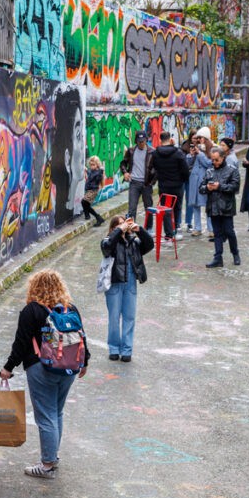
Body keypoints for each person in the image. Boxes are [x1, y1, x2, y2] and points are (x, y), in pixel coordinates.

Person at [0, 270, 89, 479]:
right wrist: (85, 362)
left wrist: (8, 368)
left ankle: (47, 464)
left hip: (41, 368)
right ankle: (52, 456)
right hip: (69, 368)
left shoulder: (31, 311)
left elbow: (21, 344)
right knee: (56, 412)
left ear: (34, 287)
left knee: (46, 415)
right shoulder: (70, 309)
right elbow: (82, 337)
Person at [100, 215, 153, 362]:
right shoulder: (108, 241)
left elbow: (149, 245)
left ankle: (127, 350)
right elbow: (107, 247)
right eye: (119, 225)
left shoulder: (133, 242)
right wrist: (118, 231)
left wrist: (139, 230)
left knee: (129, 317)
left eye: (124, 223)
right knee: (114, 318)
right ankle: (114, 349)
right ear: (113, 228)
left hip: (130, 283)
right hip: (114, 283)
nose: (123, 226)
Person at [200, 146, 241, 268]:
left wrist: (220, 186)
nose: (214, 162)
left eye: (216, 160)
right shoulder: (209, 171)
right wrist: (207, 187)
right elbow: (201, 188)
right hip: (213, 206)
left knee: (229, 231)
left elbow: (235, 187)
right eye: (212, 160)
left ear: (223, 158)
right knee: (217, 233)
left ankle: (235, 253)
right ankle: (218, 257)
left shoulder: (232, 170)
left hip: (226, 206)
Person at [151, 131, 190, 241]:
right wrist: (182, 180)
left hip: (163, 185)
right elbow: (185, 170)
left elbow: (153, 169)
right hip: (177, 185)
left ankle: (168, 234)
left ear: (160, 140)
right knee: (177, 207)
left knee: (166, 209)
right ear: (170, 139)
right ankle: (176, 229)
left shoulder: (155, 154)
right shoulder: (178, 153)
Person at [119, 130, 156, 224]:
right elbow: (123, 163)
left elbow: (157, 168)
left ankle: (149, 228)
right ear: (136, 141)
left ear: (146, 140)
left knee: (148, 208)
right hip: (134, 183)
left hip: (146, 184)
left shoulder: (152, 152)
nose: (141, 143)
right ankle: (131, 229)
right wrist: (125, 172)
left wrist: (151, 182)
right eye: (139, 141)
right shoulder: (131, 151)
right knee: (131, 208)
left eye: (143, 141)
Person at [185, 127, 214, 237]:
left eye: (201, 138)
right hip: (194, 180)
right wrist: (191, 155)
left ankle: (211, 229)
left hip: (205, 180)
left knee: (208, 205)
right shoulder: (197, 148)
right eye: (198, 138)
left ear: (206, 138)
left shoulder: (212, 149)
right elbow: (188, 164)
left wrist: (200, 153)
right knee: (195, 204)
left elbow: (209, 163)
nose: (199, 140)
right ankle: (197, 228)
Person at [81, 155, 106, 227]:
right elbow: (90, 172)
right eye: (90, 165)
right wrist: (86, 169)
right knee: (86, 204)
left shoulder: (98, 173)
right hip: (90, 189)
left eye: (93, 165)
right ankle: (88, 216)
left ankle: (97, 217)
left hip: (93, 190)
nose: (91, 166)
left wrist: (101, 171)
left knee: (84, 202)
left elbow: (94, 176)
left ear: (97, 165)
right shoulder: (93, 171)